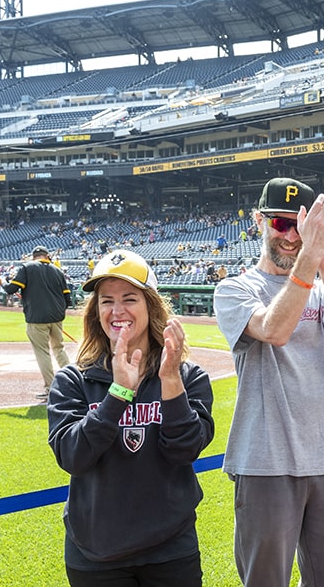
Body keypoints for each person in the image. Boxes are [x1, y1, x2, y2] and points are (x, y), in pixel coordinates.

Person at [213, 178, 324, 587]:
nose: (292, 236)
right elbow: (273, 329)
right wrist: (311, 258)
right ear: (259, 221)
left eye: (302, 226)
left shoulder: (321, 285)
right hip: (265, 463)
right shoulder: (236, 288)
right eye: (282, 223)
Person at [47, 249, 214, 586]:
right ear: (96, 311)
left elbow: (184, 451)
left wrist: (169, 380)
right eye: (106, 300)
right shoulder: (73, 380)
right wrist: (118, 393)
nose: (117, 310)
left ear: (150, 306)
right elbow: (73, 457)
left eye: (129, 299)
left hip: (170, 549)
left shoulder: (186, 376)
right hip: (96, 554)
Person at [0, 245, 72, 399]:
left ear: (34, 256)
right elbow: (67, 299)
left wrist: (2, 282)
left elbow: (11, 289)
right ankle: (73, 384)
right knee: (59, 349)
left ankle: (51, 388)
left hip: (37, 318)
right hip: (57, 318)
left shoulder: (27, 267)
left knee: (42, 352)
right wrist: (57, 313)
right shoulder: (57, 270)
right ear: (47, 256)